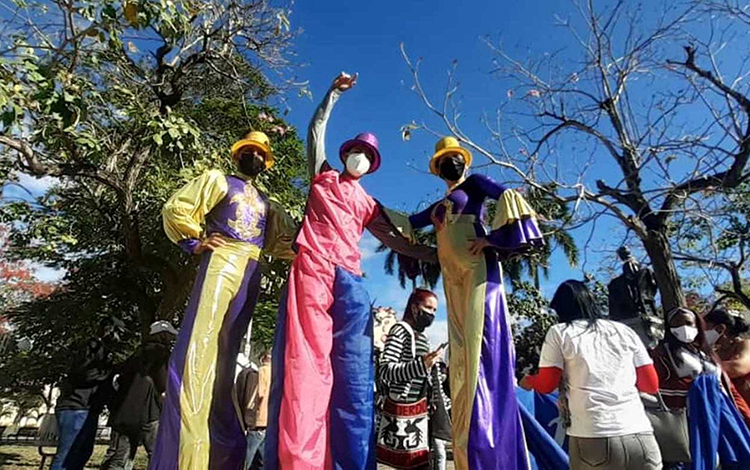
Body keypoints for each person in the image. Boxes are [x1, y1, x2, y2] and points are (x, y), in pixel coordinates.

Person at [265, 72, 436, 470]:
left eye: (367, 155)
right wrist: (333, 94)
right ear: (346, 153)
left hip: (350, 277)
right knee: (307, 361)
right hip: (313, 265)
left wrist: (438, 256)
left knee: (355, 372)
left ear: (372, 165)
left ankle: (349, 460)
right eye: (356, 150)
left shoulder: (367, 203)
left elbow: (398, 242)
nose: (359, 156)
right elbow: (315, 129)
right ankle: (301, 459)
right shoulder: (322, 175)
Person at [150, 130, 296, 470]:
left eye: (261, 154)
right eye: (250, 151)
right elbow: (178, 207)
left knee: (227, 356)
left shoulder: (267, 203)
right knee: (200, 347)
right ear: (238, 154)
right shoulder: (218, 181)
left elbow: (285, 242)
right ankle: (188, 453)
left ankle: (221, 453)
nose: (256, 157)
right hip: (221, 260)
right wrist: (194, 241)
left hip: (251, 269)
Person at [407, 136, 543, 470]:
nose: (450, 163)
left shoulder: (476, 184)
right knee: (461, 357)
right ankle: (469, 439)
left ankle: (490, 442)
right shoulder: (440, 206)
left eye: (454, 158)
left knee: (481, 349)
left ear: (463, 161)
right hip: (453, 283)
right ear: (438, 170)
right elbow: (410, 221)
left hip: (478, 275)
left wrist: (491, 239)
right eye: (443, 161)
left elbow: (510, 198)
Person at [521, 280, 662, 470]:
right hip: (641, 435)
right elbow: (650, 385)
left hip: (594, 437)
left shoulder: (560, 332)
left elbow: (547, 385)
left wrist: (529, 381)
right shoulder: (624, 331)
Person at [376, 288, 445, 469]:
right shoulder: (400, 330)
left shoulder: (423, 338)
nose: (432, 314)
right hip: (403, 412)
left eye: (435, 310)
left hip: (421, 411)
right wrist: (421, 365)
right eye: (429, 308)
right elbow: (385, 370)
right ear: (415, 308)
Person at [101, 321, 178, 470]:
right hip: (149, 412)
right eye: (169, 335)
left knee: (120, 457)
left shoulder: (138, 352)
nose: (171, 338)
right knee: (156, 453)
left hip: (126, 412)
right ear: (162, 335)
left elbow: (121, 376)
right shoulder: (162, 353)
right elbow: (162, 383)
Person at [52, 332, 114, 470]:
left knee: (83, 452)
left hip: (88, 408)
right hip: (75, 407)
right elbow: (86, 375)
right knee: (67, 454)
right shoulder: (88, 353)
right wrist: (108, 371)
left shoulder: (101, 358)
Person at [704, 309, 750, 422]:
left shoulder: (745, 344)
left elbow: (738, 367)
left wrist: (703, 368)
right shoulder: (715, 353)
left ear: (720, 329)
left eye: (705, 327)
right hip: (734, 415)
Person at [236, 349, 273, 470]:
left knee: (246, 457)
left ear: (263, 358)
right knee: (261, 460)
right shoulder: (276, 372)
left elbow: (259, 393)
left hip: (258, 420)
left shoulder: (262, 372)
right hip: (268, 421)